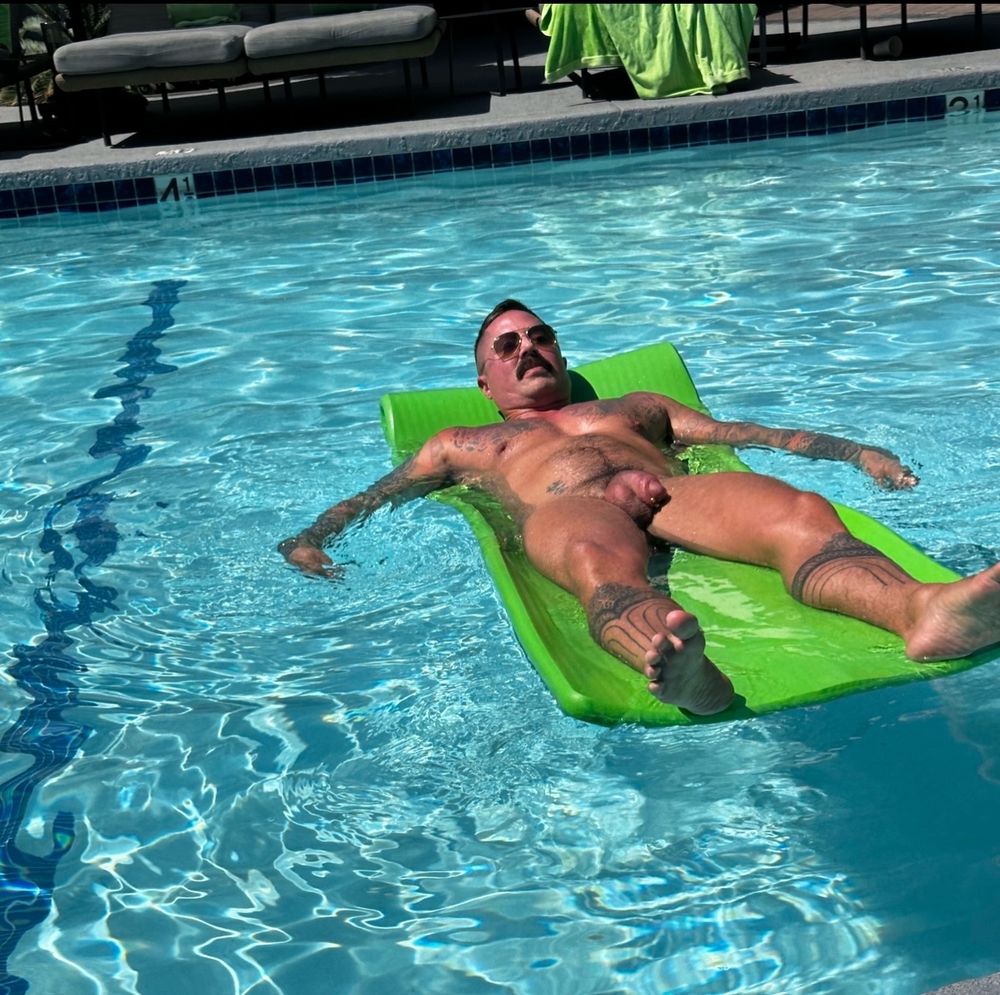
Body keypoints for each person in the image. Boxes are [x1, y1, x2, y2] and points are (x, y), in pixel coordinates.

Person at [279, 299, 1000, 715]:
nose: (529, 347)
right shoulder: (461, 441)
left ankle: (921, 611)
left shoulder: (636, 405)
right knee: (595, 559)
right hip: (571, 510)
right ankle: (688, 676)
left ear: (562, 354)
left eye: (541, 336)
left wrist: (856, 452)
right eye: (508, 344)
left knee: (801, 514)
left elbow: (744, 433)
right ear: (485, 380)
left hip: (674, 494)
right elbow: (377, 495)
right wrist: (311, 538)